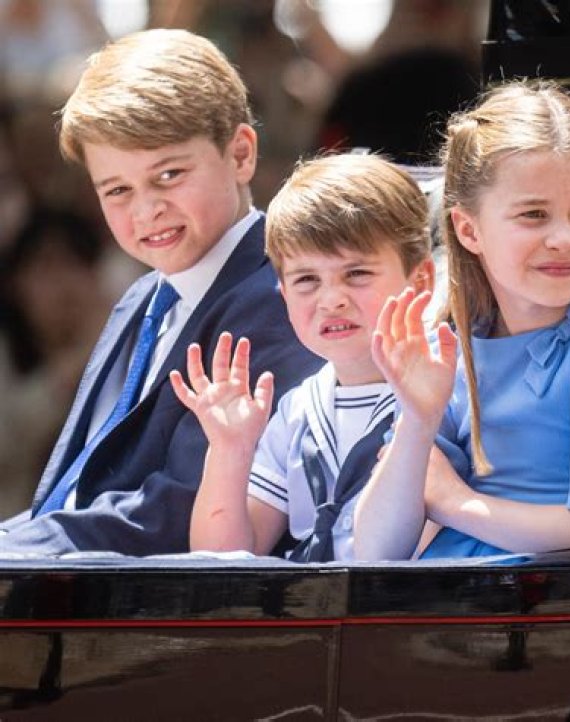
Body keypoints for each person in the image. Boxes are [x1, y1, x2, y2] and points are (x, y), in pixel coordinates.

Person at [0, 28, 321, 556]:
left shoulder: (281, 298)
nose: (146, 211)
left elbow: (174, 509)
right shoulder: (142, 298)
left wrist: (19, 552)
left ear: (241, 154)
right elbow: (78, 494)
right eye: (117, 190)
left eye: (169, 175)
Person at [354, 80, 570, 561]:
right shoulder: (452, 351)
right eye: (534, 214)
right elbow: (375, 550)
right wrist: (418, 420)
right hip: (442, 594)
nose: (564, 238)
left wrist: (455, 502)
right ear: (469, 230)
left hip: (542, 598)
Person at [170, 153, 434, 561]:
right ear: (283, 294)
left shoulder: (452, 386)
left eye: (357, 274)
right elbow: (222, 558)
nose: (331, 300)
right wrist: (229, 449)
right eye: (307, 280)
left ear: (421, 280)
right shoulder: (298, 409)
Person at [0, 208, 112, 518]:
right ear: (15, 283)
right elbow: (9, 441)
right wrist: (79, 359)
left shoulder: (126, 350)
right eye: (47, 268)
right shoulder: (6, 353)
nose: (64, 283)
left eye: (77, 264)